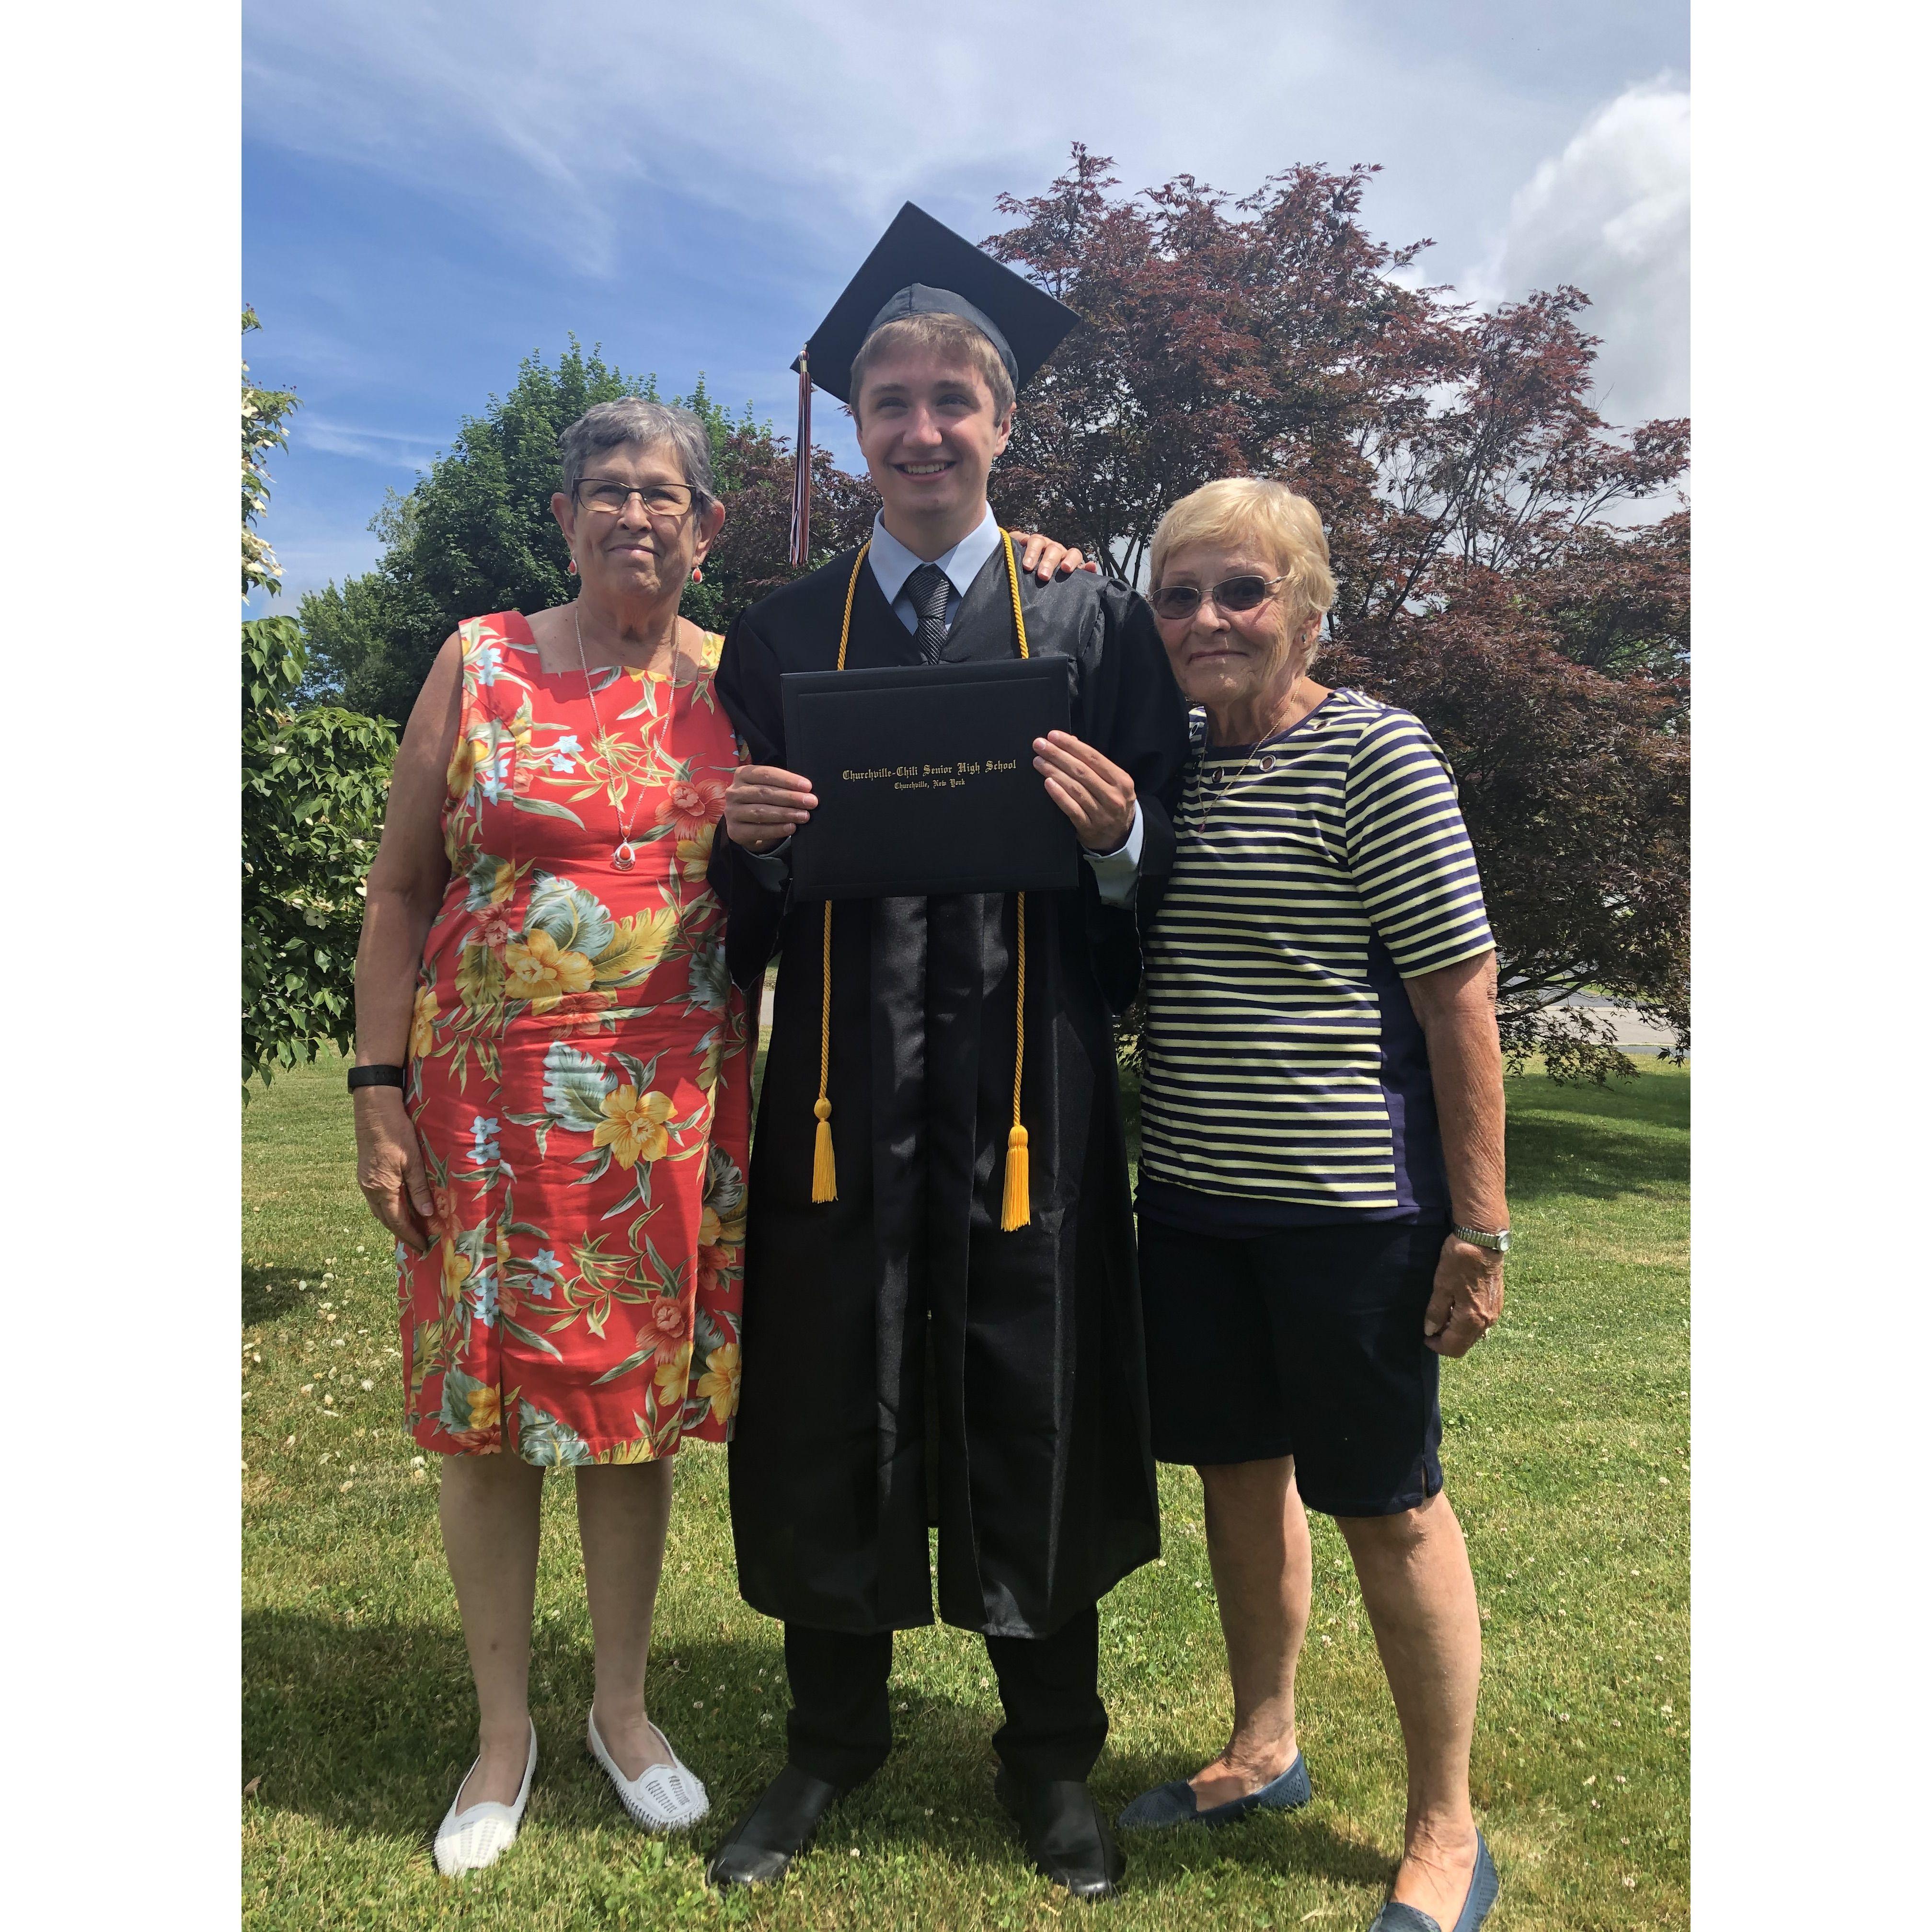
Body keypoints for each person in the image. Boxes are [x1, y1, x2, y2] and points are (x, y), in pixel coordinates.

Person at [350, 392, 1088, 1878]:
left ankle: (624, 1711)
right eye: (608, 490)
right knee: (485, 1421)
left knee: (628, 1416)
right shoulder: (479, 660)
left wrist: (1034, 559)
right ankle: (503, 1734)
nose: (635, 514)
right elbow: (401, 890)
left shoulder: (745, 673)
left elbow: (910, 724)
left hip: (663, 1115)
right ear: (564, 517)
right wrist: (378, 1089)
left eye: (663, 493)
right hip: (485, 1111)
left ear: (709, 524)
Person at [703, 204, 1189, 1901]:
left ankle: (1050, 1759)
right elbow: (741, 907)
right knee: (829, 1392)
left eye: (951, 401)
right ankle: (827, 1741)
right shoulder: (781, 634)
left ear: (1005, 420)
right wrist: (749, 845)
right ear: (855, 428)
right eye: (889, 402)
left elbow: (1164, 865)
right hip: (840, 1094)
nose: (921, 430)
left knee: (1032, 1387)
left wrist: (1123, 839)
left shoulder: (1091, 623)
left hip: (1030, 1085)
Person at [1116, 478, 1506, 1932]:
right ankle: (1264, 1746)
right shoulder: (1168, 767)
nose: (1208, 619)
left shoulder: (1376, 755)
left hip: (1351, 1213)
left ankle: (1447, 1826)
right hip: (1193, 1204)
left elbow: (1460, 995)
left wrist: (1479, 1227)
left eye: (1243, 590)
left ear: (1308, 607)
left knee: (1388, 1507)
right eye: (1179, 596)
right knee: (1236, 1479)